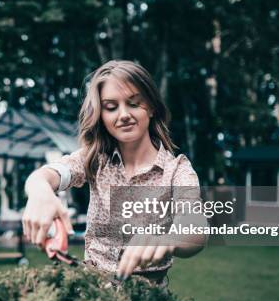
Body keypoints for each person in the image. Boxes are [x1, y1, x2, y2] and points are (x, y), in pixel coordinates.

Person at [22, 60, 206, 287]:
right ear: (101, 116)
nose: (123, 115)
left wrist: (167, 239)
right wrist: (40, 191)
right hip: (92, 296)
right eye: (111, 107)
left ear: (151, 107)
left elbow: (195, 228)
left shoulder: (177, 171)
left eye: (134, 103)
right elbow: (46, 175)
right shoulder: (94, 159)